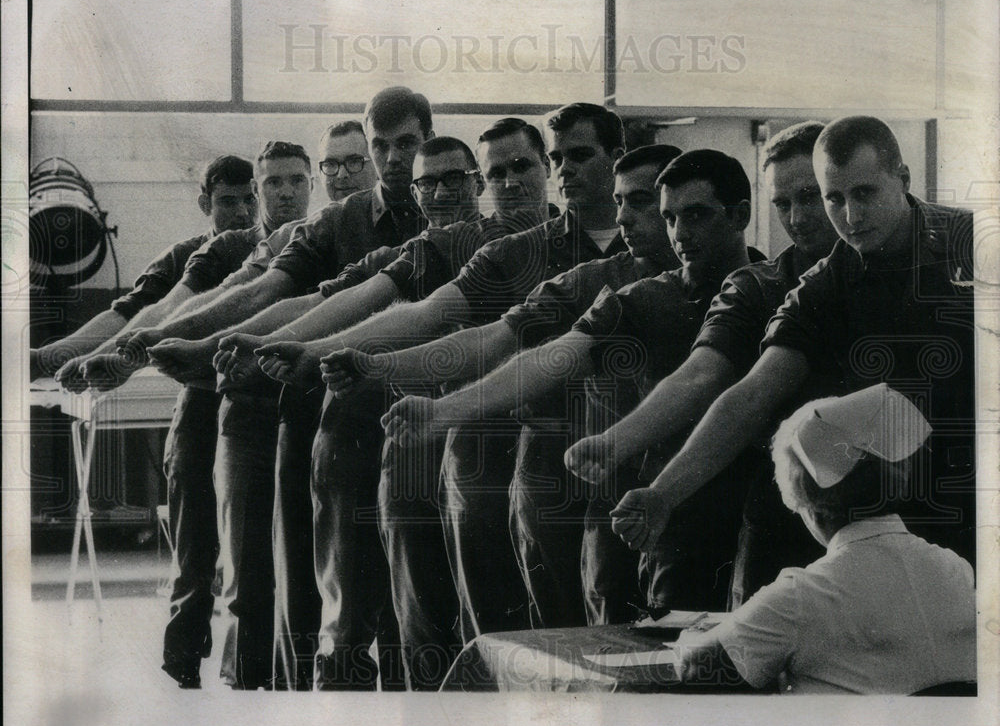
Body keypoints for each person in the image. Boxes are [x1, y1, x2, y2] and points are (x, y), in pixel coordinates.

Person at [273, 102, 630, 689]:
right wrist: (329, 356)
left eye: (528, 165)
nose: (512, 182)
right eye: (497, 174)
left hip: (611, 465)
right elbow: (438, 320)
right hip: (492, 458)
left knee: (612, 636)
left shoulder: (652, 253)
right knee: (482, 634)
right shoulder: (495, 250)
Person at [133, 87, 433, 690]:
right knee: (290, 589)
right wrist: (168, 343)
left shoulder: (450, 222)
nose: (386, 160)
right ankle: (280, 709)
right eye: (372, 149)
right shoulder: (314, 230)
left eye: (402, 146)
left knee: (416, 600)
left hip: (420, 425)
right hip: (308, 421)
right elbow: (269, 295)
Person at [383, 148, 759, 620]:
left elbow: (702, 377)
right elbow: (548, 359)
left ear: (740, 214)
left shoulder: (771, 286)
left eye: (696, 215)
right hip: (655, 522)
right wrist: (444, 411)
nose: (680, 233)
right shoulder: (638, 297)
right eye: (670, 217)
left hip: (752, 516)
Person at [611, 116, 975, 572]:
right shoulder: (825, 282)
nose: (851, 216)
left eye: (864, 193)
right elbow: (753, 392)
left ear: (901, 179)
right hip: (891, 501)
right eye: (834, 199)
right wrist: (664, 492)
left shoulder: (975, 245)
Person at [565, 121, 840, 606]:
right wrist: (624, 452)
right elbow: (714, 379)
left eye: (814, 196)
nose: (798, 218)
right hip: (740, 510)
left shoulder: (924, 262)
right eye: (783, 203)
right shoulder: (758, 287)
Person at [677, 384, 976, 694]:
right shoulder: (954, 568)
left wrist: (697, 637)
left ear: (810, 506)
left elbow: (697, 668)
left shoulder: (800, 596)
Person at [30, 155, 255, 386]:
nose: (243, 212)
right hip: (196, 384)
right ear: (205, 204)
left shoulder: (271, 248)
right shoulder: (182, 255)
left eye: (250, 200)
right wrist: (47, 357)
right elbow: (127, 313)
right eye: (228, 202)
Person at [317, 120, 377, 202]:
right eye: (331, 164)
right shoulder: (320, 215)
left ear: (376, 165)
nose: (341, 175)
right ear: (320, 173)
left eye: (354, 162)